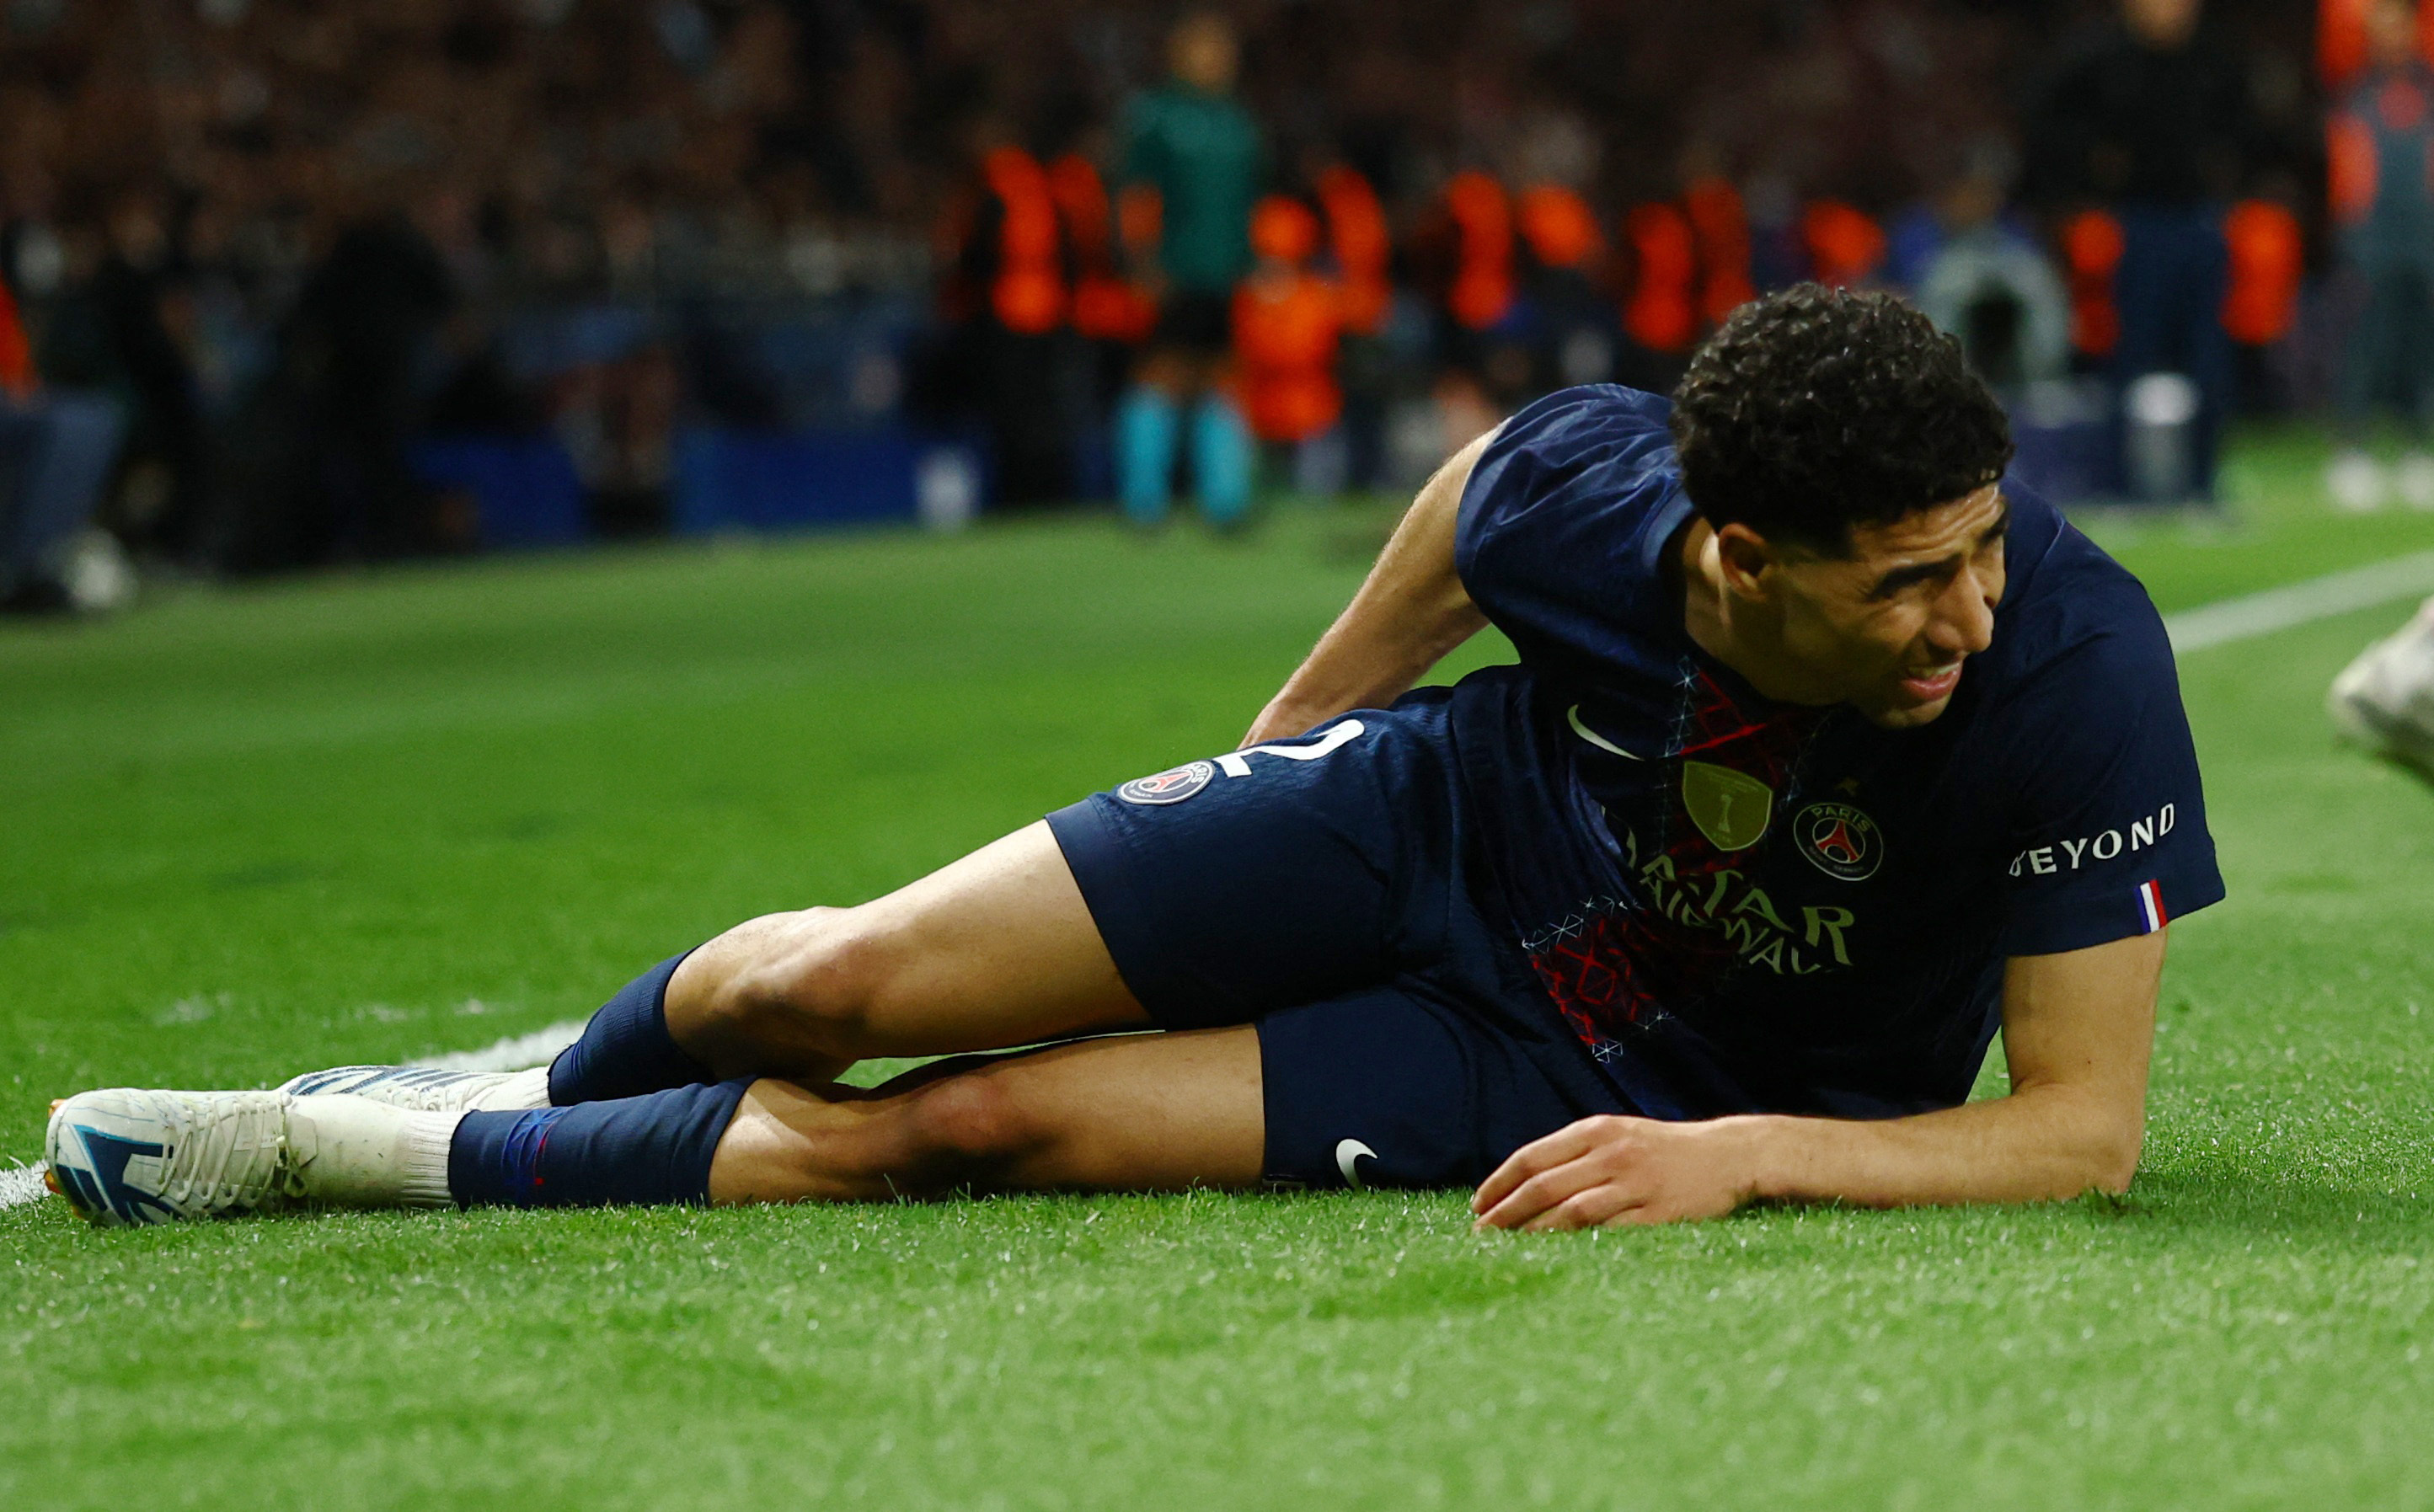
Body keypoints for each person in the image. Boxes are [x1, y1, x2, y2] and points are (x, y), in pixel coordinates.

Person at [46, 287, 2224, 1233]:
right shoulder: (1606, 492)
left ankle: (334, 1152)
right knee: (826, 983)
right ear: (1736, 555)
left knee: (972, 1122)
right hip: (1427, 818)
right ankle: (529, 1076)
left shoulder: (2068, 663)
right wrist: (1283, 754)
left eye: (1978, 552)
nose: (1967, 615)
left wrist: (1738, 1152)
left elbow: (2081, 1133)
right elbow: (1479, 496)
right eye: (1904, 583)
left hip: (1604, 1064)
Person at [2025, 0, 2255, 501]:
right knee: (2130, 355)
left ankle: (2203, 484)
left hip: (2200, 222)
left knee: (2209, 358)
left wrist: (2227, 179)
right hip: (2137, 224)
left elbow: (2248, 132)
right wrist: (2091, 180)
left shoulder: (2215, 61)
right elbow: (2050, 122)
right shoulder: (2101, 61)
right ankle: (2121, 483)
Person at [1110, 13, 1261, 530]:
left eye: (1222, 51)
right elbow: (1136, 195)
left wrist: (1250, 263)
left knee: (1221, 376)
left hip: (1226, 273)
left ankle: (1225, 501)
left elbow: (1250, 203)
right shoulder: (1155, 117)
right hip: (1173, 270)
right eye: (1205, 49)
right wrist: (1141, 260)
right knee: (1160, 374)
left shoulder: (1238, 124)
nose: (1217, 61)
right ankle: (1143, 500)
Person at [2324, 0, 2434, 512]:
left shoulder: (2429, 90)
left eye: (2399, 27)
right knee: (2364, 345)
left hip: (2424, 237)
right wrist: (2352, 232)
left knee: (2422, 347)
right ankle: (2353, 451)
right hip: (2369, 239)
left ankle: (2418, 449)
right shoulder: (2352, 91)